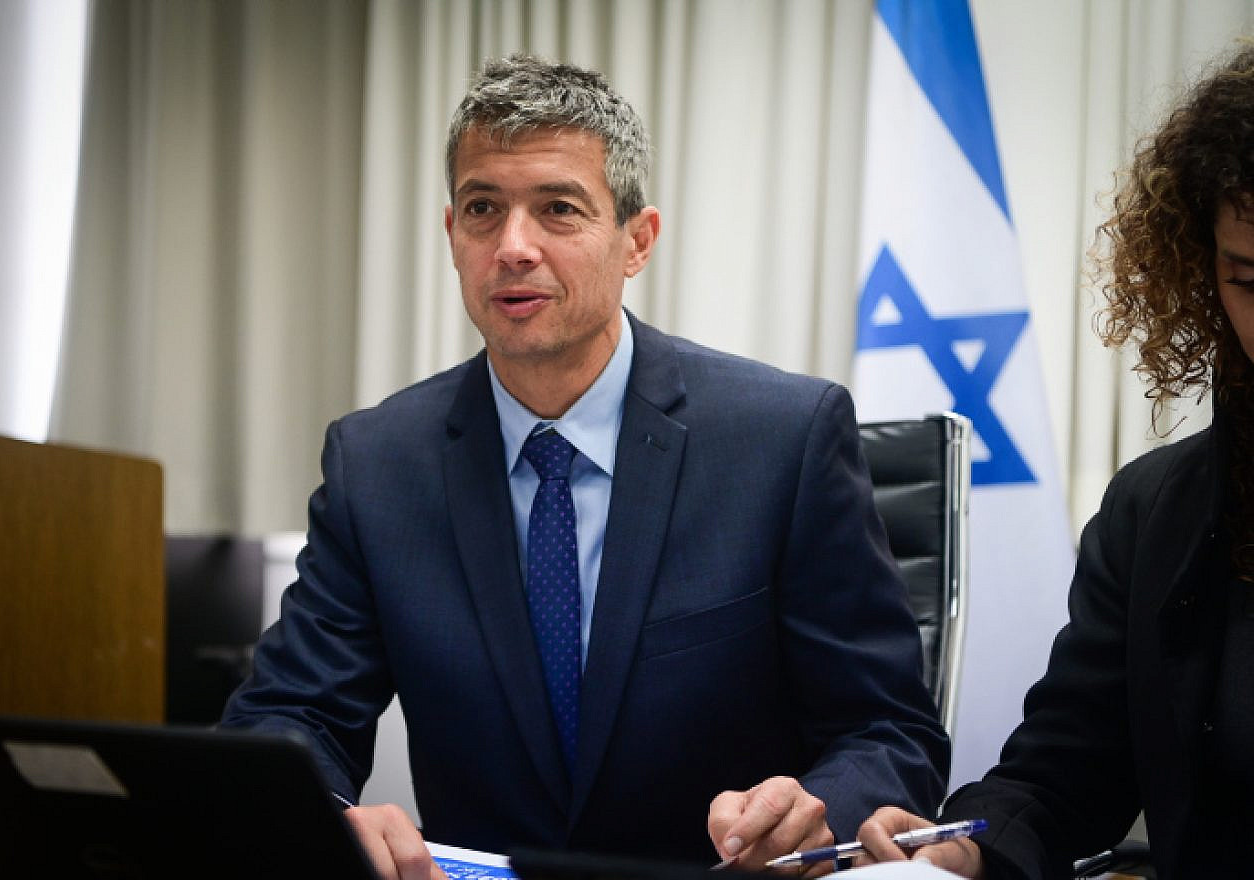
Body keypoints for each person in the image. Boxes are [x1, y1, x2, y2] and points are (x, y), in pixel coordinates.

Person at [221, 53, 947, 878]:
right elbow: (290, 713)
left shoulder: (783, 437)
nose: (513, 247)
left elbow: (890, 732)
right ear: (451, 234)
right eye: (482, 209)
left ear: (637, 241)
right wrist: (323, 816)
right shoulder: (379, 462)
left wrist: (810, 816)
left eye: (558, 209)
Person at [852, 43, 1254, 880]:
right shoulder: (1158, 512)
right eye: (1249, 278)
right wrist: (961, 848)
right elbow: (1064, 772)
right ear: (1202, 274)